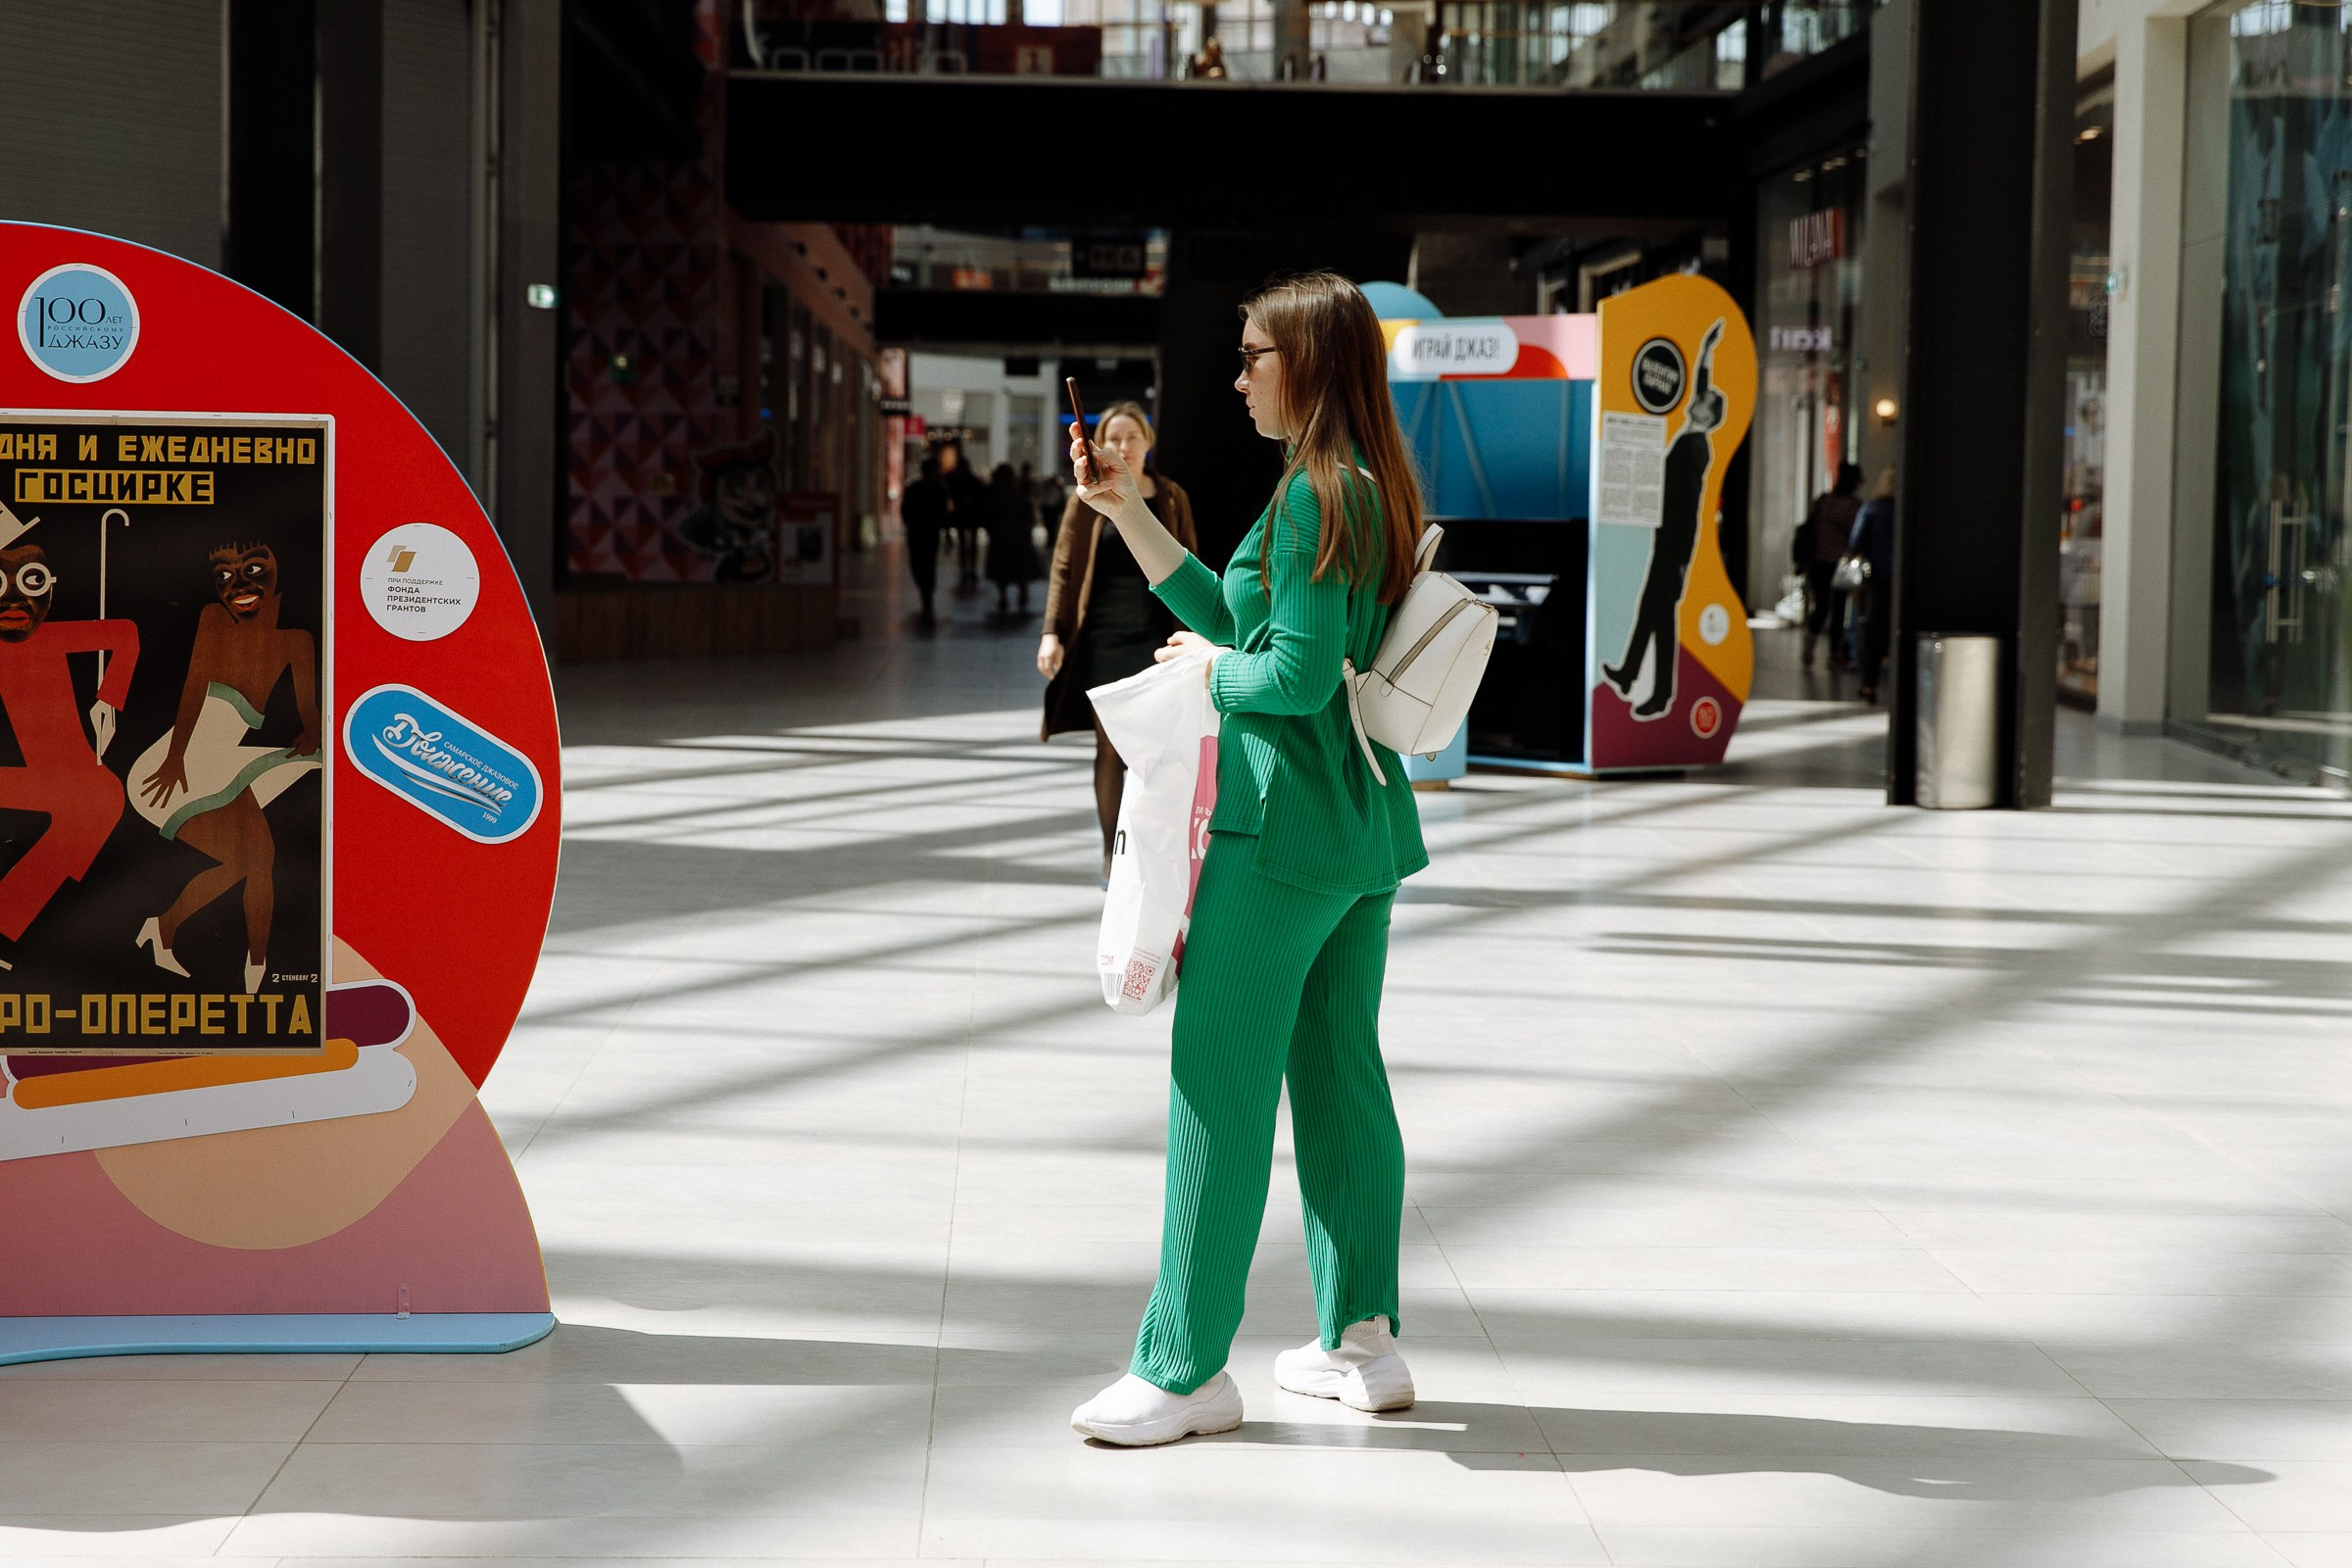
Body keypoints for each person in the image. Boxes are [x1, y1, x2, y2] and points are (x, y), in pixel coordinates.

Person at [1063, 271, 1429, 1447]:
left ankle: (1181, 1370)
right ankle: (1359, 1340)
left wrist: (1200, 678)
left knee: (1216, 1090)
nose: (1237, 376)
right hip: (1356, 831)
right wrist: (1125, 511)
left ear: (1307, 365)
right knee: (1338, 1080)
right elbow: (1242, 617)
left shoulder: (1319, 495)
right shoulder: (1356, 487)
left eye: (1253, 355)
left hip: (1279, 837)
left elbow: (1290, 675)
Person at [133, 542, 320, 995]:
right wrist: (176, 756)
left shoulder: (295, 642)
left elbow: (309, 714)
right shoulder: (213, 620)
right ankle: (172, 932)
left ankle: (248, 969)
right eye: (224, 575)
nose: (238, 584)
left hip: (219, 766)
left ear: (279, 578)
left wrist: (313, 734)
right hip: (175, 764)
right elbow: (195, 685)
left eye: (254, 568)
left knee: (259, 860)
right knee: (254, 859)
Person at [1037, 403, 1198, 882]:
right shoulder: (1086, 498)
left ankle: (1145, 851)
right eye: (1113, 438)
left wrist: (1194, 631)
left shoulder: (1171, 498)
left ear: (1148, 442)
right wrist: (1051, 633)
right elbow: (1064, 566)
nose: (1123, 447)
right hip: (1102, 641)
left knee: (1154, 753)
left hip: (1152, 640)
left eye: (1131, 437)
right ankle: (1112, 852)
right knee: (1109, 749)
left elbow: (1190, 560)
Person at [0, 535, 136, 963]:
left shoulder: (56, 638)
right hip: (47, 783)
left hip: (65, 783)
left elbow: (125, 633)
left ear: (50, 590)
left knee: (102, 797)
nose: (14, 600)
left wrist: (109, 698)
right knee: (102, 797)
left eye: (31, 582)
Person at [1601, 318, 1726, 719]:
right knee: (1651, 609)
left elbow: (1689, 508)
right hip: (1667, 542)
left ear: (1707, 416)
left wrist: (1682, 557)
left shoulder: (1694, 446)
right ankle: (1629, 673)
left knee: (1662, 615)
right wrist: (1705, 352)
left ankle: (1661, 694)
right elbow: (1701, 386)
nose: (1696, 399)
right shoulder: (1691, 436)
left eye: (1703, 401)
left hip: (1674, 546)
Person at [1803, 462, 1865, 667]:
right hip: (1841, 564)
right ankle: (1832, 653)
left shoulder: (1824, 501)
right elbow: (1856, 537)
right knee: (1838, 609)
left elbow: (1811, 528)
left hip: (1819, 561)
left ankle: (1810, 641)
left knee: (1821, 606)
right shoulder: (1854, 507)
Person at [1850, 466, 1896, 704]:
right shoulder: (1902, 511)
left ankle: (1869, 684)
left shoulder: (1871, 509)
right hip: (1900, 581)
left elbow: (1856, 542)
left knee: (1872, 633)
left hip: (1875, 580)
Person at [985, 462, 1043, 614]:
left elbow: (989, 515)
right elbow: (1028, 514)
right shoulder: (1016, 493)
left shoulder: (998, 494)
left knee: (1004, 566)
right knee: (1017, 566)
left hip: (1004, 534)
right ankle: (1020, 593)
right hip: (1016, 534)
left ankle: (1006, 596)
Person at [900, 455, 949, 629]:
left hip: (919, 531)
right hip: (928, 531)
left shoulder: (917, 488)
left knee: (919, 562)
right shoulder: (935, 489)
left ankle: (926, 593)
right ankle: (926, 592)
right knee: (928, 562)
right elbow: (944, 513)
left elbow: (905, 509)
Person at [939, 440, 985, 590]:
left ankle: (968, 569)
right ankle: (968, 569)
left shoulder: (960, 481)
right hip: (968, 516)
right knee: (969, 544)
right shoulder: (970, 481)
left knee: (967, 544)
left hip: (965, 515)